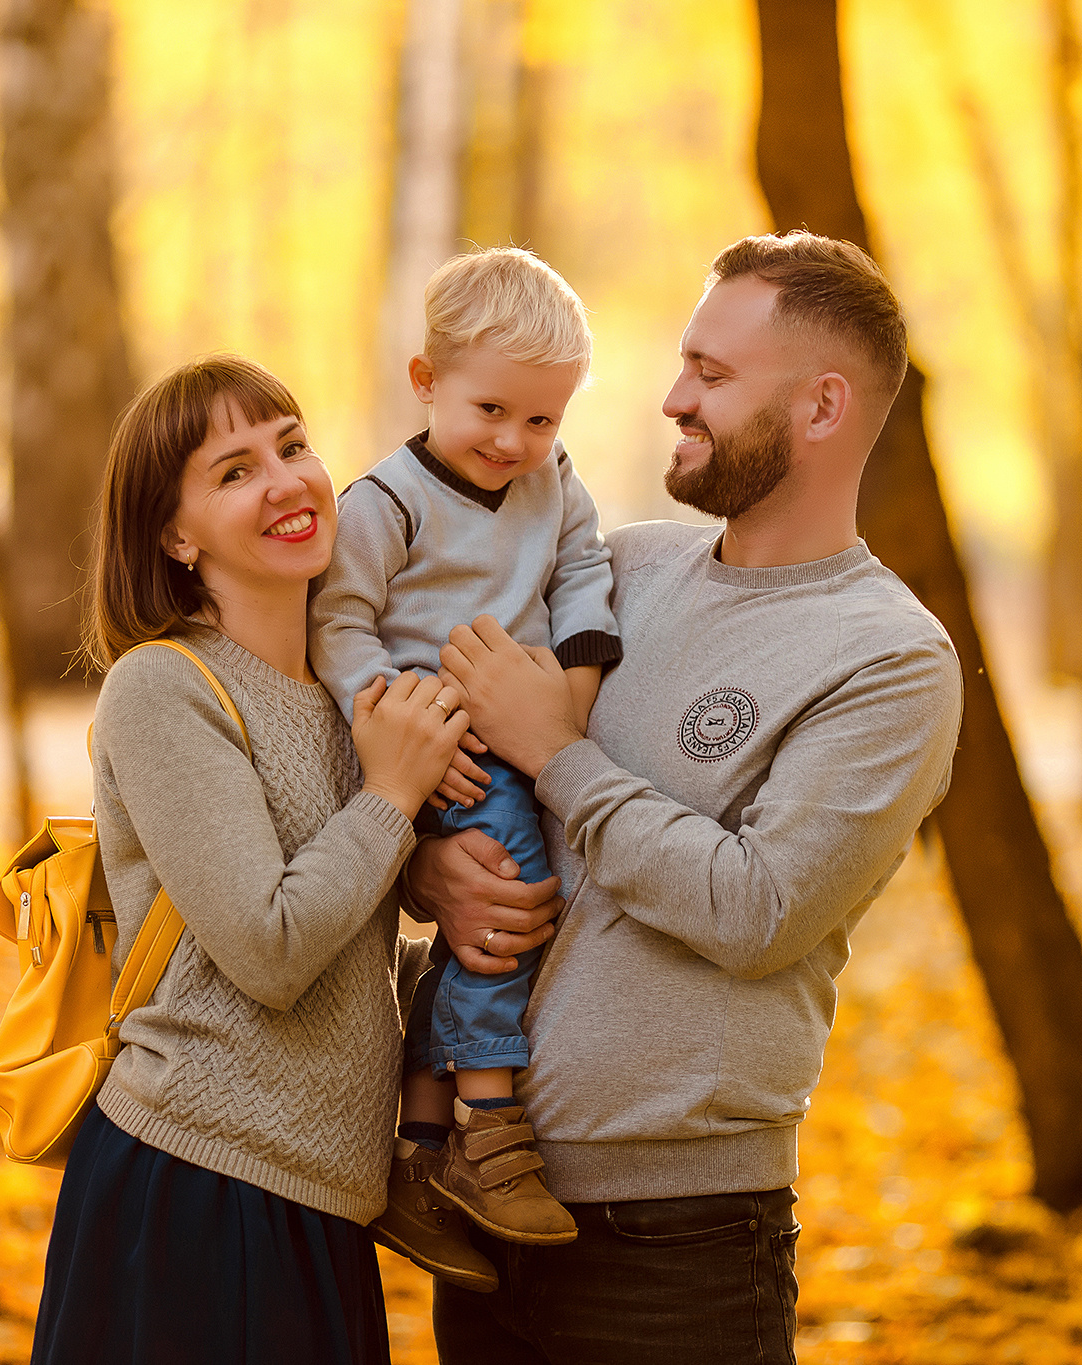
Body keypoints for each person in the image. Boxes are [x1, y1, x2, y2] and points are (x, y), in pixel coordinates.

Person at [410, 231, 966, 1363]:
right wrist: (430, 869)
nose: (672, 398)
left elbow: (757, 912)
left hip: (678, 1249)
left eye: (711, 375)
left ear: (820, 407)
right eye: (682, 364)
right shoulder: (618, 570)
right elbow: (456, 761)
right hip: (484, 1206)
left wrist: (558, 751)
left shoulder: (888, 659)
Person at [31, 354, 486, 1364]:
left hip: (321, 1203)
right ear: (174, 533)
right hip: (195, 1189)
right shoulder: (163, 691)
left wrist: (469, 936)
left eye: (291, 446)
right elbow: (271, 949)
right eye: (233, 471)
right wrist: (392, 796)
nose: (286, 482)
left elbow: (347, 962)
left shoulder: (348, 697)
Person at [311, 247, 618, 1263]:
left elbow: (581, 565)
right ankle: (489, 1118)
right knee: (509, 891)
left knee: (520, 903)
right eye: (491, 411)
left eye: (542, 420)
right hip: (434, 743)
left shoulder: (552, 481)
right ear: (425, 382)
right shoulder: (384, 503)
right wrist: (391, 721)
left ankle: (425, 1125)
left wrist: (574, 683)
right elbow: (341, 623)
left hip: (525, 723)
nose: (515, 441)